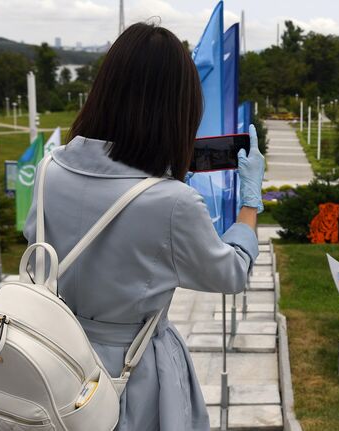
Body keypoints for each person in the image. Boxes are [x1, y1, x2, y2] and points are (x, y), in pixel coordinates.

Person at [23, 23, 265, 431]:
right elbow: (231, 272)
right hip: (129, 376)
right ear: (177, 109)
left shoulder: (49, 169)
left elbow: (38, 249)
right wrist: (250, 203)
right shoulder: (172, 202)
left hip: (54, 359)